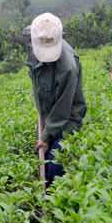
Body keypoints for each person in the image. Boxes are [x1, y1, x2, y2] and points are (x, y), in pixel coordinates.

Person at [23, 13, 87, 186]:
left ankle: (54, 199)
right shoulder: (31, 38)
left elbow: (62, 111)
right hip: (46, 111)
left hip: (66, 119)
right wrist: (38, 87)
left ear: (61, 37)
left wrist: (45, 136)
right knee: (40, 157)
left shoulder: (67, 68)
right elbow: (33, 68)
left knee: (54, 168)